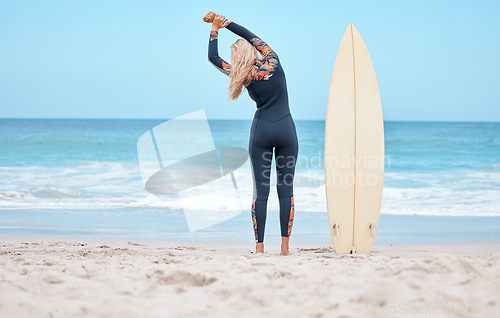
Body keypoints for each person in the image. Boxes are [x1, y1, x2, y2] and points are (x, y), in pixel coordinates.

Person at [204, 12, 298, 255]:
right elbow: (249, 35)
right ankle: (285, 249)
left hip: (262, 132)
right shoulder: (273, 61)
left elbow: (213, 57)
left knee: (261, 192)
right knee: (286, 190)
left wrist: (214, 31)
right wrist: (224, 23)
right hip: (287, 130)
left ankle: (259, 248)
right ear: (254, 51)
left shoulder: (241, 75)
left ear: (237, 57)